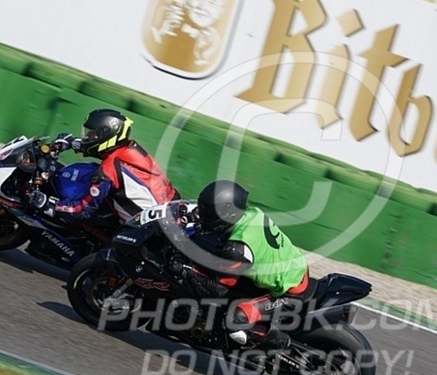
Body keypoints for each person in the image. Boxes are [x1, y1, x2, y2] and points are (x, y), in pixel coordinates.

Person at [172, 180, 310, 350]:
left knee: (236, 321)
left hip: (291, 290)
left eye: (207, 211)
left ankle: (282, 343)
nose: (203, 213)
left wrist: (185, 270)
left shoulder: (237, 249)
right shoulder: (250, 213)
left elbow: (215, 290)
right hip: (293, 264)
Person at [29, 109, 179, 222]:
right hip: (173, 207)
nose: (87, 137)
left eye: (92, 134)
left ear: (106, 136)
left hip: (151, 226)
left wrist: (49, 205)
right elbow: (100, 148)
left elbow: (83, 209)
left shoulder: (108, 171)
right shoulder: (129, 149)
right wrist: (71, 142)